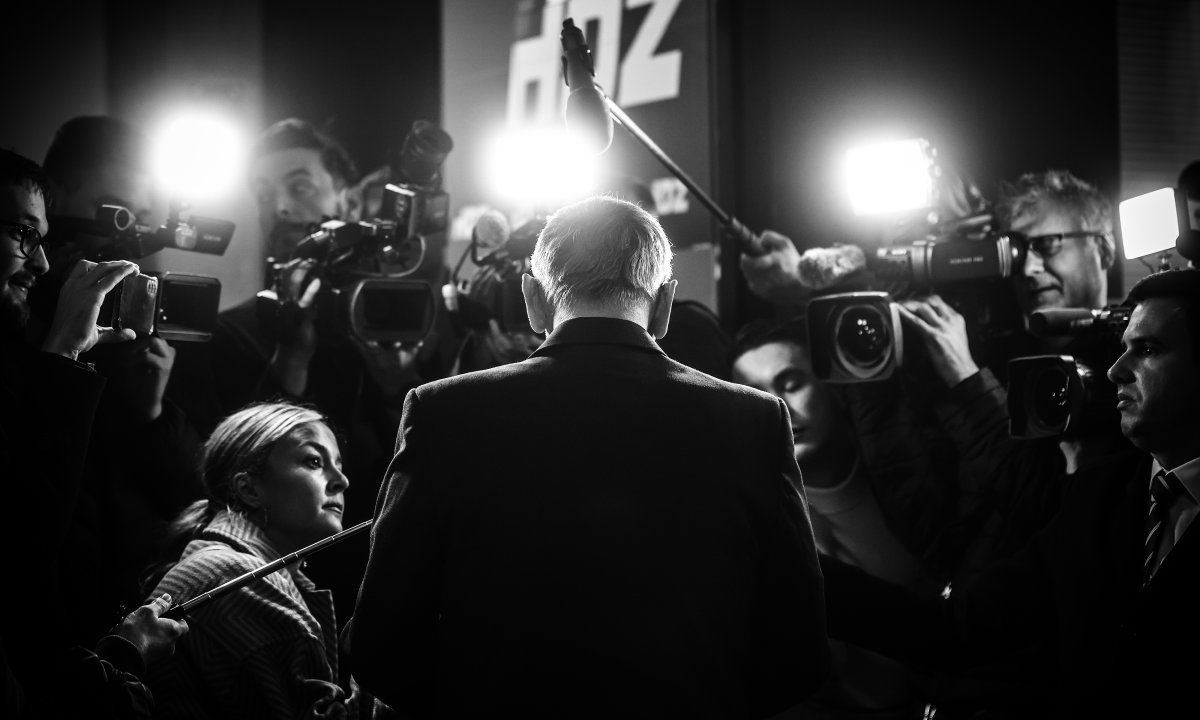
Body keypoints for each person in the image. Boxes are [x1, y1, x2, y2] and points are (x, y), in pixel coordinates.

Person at [350, 195, 831, 719]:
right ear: (665, 304)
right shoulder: (756, 421)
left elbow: (380, 646)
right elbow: (799, 652)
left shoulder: (443, 412)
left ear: (533, 299)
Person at [823, 267, 1200, 718]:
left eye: (1149, 350)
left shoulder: (1089, 481)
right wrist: (794, 562)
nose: (1116, 371)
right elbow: (959, 630)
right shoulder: (1099, 492)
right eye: (1124, 349)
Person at [205, 118, 461, 622]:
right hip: (282, 593)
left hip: (402, 587)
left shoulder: (408, 318)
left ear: (347, 199)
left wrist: (397, 390)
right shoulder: (232, 333)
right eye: (263, 193)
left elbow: (445, 481)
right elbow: (234, 482)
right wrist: (291, 360)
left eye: (299, 186)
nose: (279, 207)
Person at [0, 148, 188, 718]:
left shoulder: (96, 347)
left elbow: (186, 498)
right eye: (23, 235)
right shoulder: (36, 355)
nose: (39, 263)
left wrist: (149, 409)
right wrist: (61, 354)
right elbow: (21, 541)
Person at [27, 116, 206, 646]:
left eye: (142, 220)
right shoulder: (20, 325)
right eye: (115, 212)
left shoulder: (141, 328)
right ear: (54, 201)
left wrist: (153, 415)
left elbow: (193, 502)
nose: (128, 237)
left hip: (133, 620)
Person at [731, 318, 958, 718]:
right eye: (756, 393)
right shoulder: (758, 523)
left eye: (791, 383)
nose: (778, 406)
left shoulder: (913, 481)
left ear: (831, 387)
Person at [144, 401, 376, 719]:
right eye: (314, 461)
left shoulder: (240, 568)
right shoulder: (233, 575)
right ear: (249, 489)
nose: (342, 480)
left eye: (338, 464)